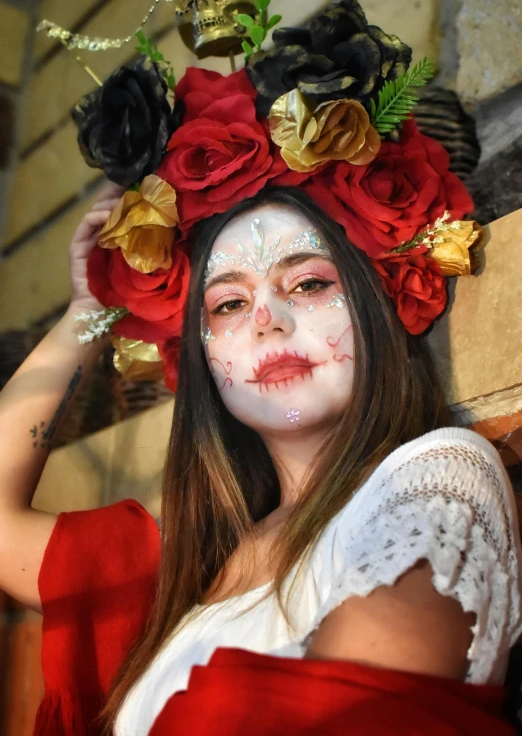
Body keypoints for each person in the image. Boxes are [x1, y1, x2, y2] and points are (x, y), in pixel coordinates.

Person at [0, 180, 521, 736]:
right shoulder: (181, 571)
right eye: (229, 303)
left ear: (371, 307)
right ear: (205, 358)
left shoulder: (436, 477)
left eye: (308, 283)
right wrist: (92, 310)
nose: (266, 319)